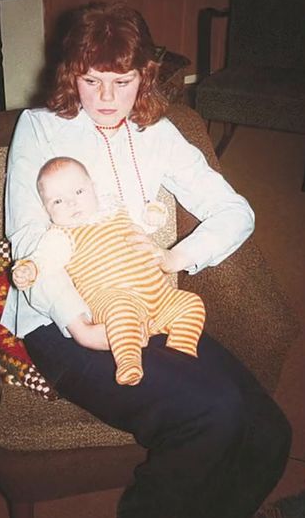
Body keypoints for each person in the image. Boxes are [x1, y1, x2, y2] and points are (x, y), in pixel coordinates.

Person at [0, 1, 291, 518]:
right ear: (72, 75)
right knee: (215, 409)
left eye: (123, 81)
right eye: (92, 81)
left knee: (272, 432)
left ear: (144, 77)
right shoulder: (38, 128)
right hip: (62, 325)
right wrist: (80, 327)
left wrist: (176, 257)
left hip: (143, 303)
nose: (107, 99)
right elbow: (29, 237)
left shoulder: (158, 134)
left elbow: (236, 211)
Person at [11, 156, 201, 386]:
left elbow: (142, 225)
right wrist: (31, 268)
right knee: (121, 313)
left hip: (159, 295)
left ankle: (181, 352)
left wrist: (153, 215)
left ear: (94, 188)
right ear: (46, 209)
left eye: (79, 192)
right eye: (58, 201)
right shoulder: (61, 235)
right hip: (112, 299)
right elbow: (46, 258)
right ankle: (129, 360)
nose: (72, 203)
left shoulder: (115, 209)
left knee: (191, 303)